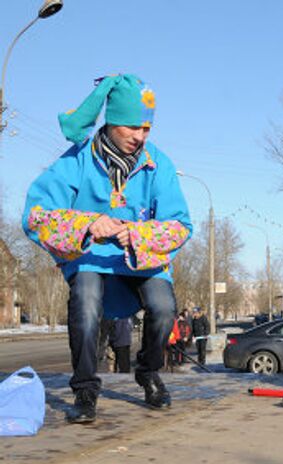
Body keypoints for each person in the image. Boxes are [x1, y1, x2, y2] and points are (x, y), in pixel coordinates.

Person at [22, 74, 192, 423]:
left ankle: (148, 371)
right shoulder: (78, 160)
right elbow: (37, 214)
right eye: (132, 127)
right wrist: (87, 224)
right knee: (85, 305)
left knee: (163, 307)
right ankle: (85, 390)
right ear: (112, 121)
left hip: (141, 258)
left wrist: (138, 234)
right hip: (90, 258)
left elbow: (180, 224)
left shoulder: (158, 164)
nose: (139, 137)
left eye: (146, 129)